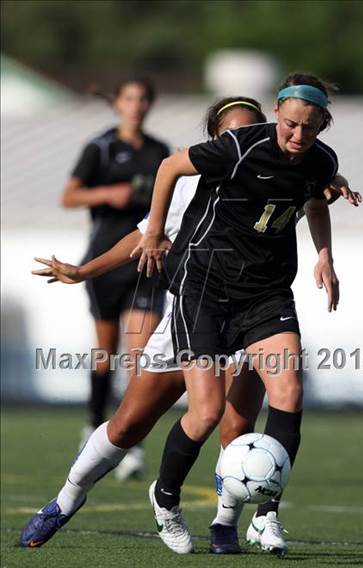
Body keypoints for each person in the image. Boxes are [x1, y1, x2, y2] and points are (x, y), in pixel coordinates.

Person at [22, 94, 361, 554]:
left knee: (238, 422)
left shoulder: (292, 158)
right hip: (196, 303)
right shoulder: (193, 180)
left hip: (256, 304)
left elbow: (314, 190)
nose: (240, 139)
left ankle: (231, 522)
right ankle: (66, 500)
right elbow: (146, 234)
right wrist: (85, 271)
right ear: (217, 140)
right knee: (129, 426)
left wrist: (328, 223)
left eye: (247, 130)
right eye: (229, 134)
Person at [136, 71, 350, 555]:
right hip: (205, 286)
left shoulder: (320, 160)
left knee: (290, 391)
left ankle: (266, 516)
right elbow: (170, 167)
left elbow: (316, 201)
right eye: (291, 124)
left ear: (322, 126)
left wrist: (324, 256)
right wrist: (152, 232)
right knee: (208, 411)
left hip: (266, 291)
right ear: (277, 111)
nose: (298, 137)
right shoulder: (238, 147)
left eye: (310, 128)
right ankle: (165, 497)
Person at [62, 78, 169, 478]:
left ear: (149, 105)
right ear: (118, 104)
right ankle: (93, 426)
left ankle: (132, 444)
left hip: (144, 264)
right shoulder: (101, 147)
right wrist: (108, 194)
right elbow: (69, 196)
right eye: (129, 99)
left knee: (138, 358)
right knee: (105, 354)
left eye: (143, 99)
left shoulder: (160, 152)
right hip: (105, 261)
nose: (136, 106)